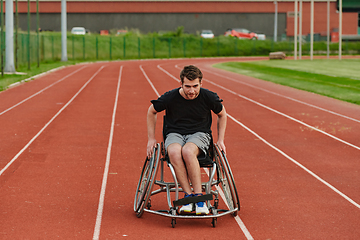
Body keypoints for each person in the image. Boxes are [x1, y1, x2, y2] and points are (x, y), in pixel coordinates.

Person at [146, 65, 227, 215]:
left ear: (201, 84)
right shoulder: (171, 97)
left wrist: (221, 140)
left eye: (195, 86)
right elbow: (152, 111)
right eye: (187, 86)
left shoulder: (208, 96)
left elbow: (222, 114)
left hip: (199, 133)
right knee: (175, 152)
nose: (191, 91)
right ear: (181, 84)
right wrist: (151, 139)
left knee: (188, 151)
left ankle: (200, 198)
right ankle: (189, 198)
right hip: (175, 133)